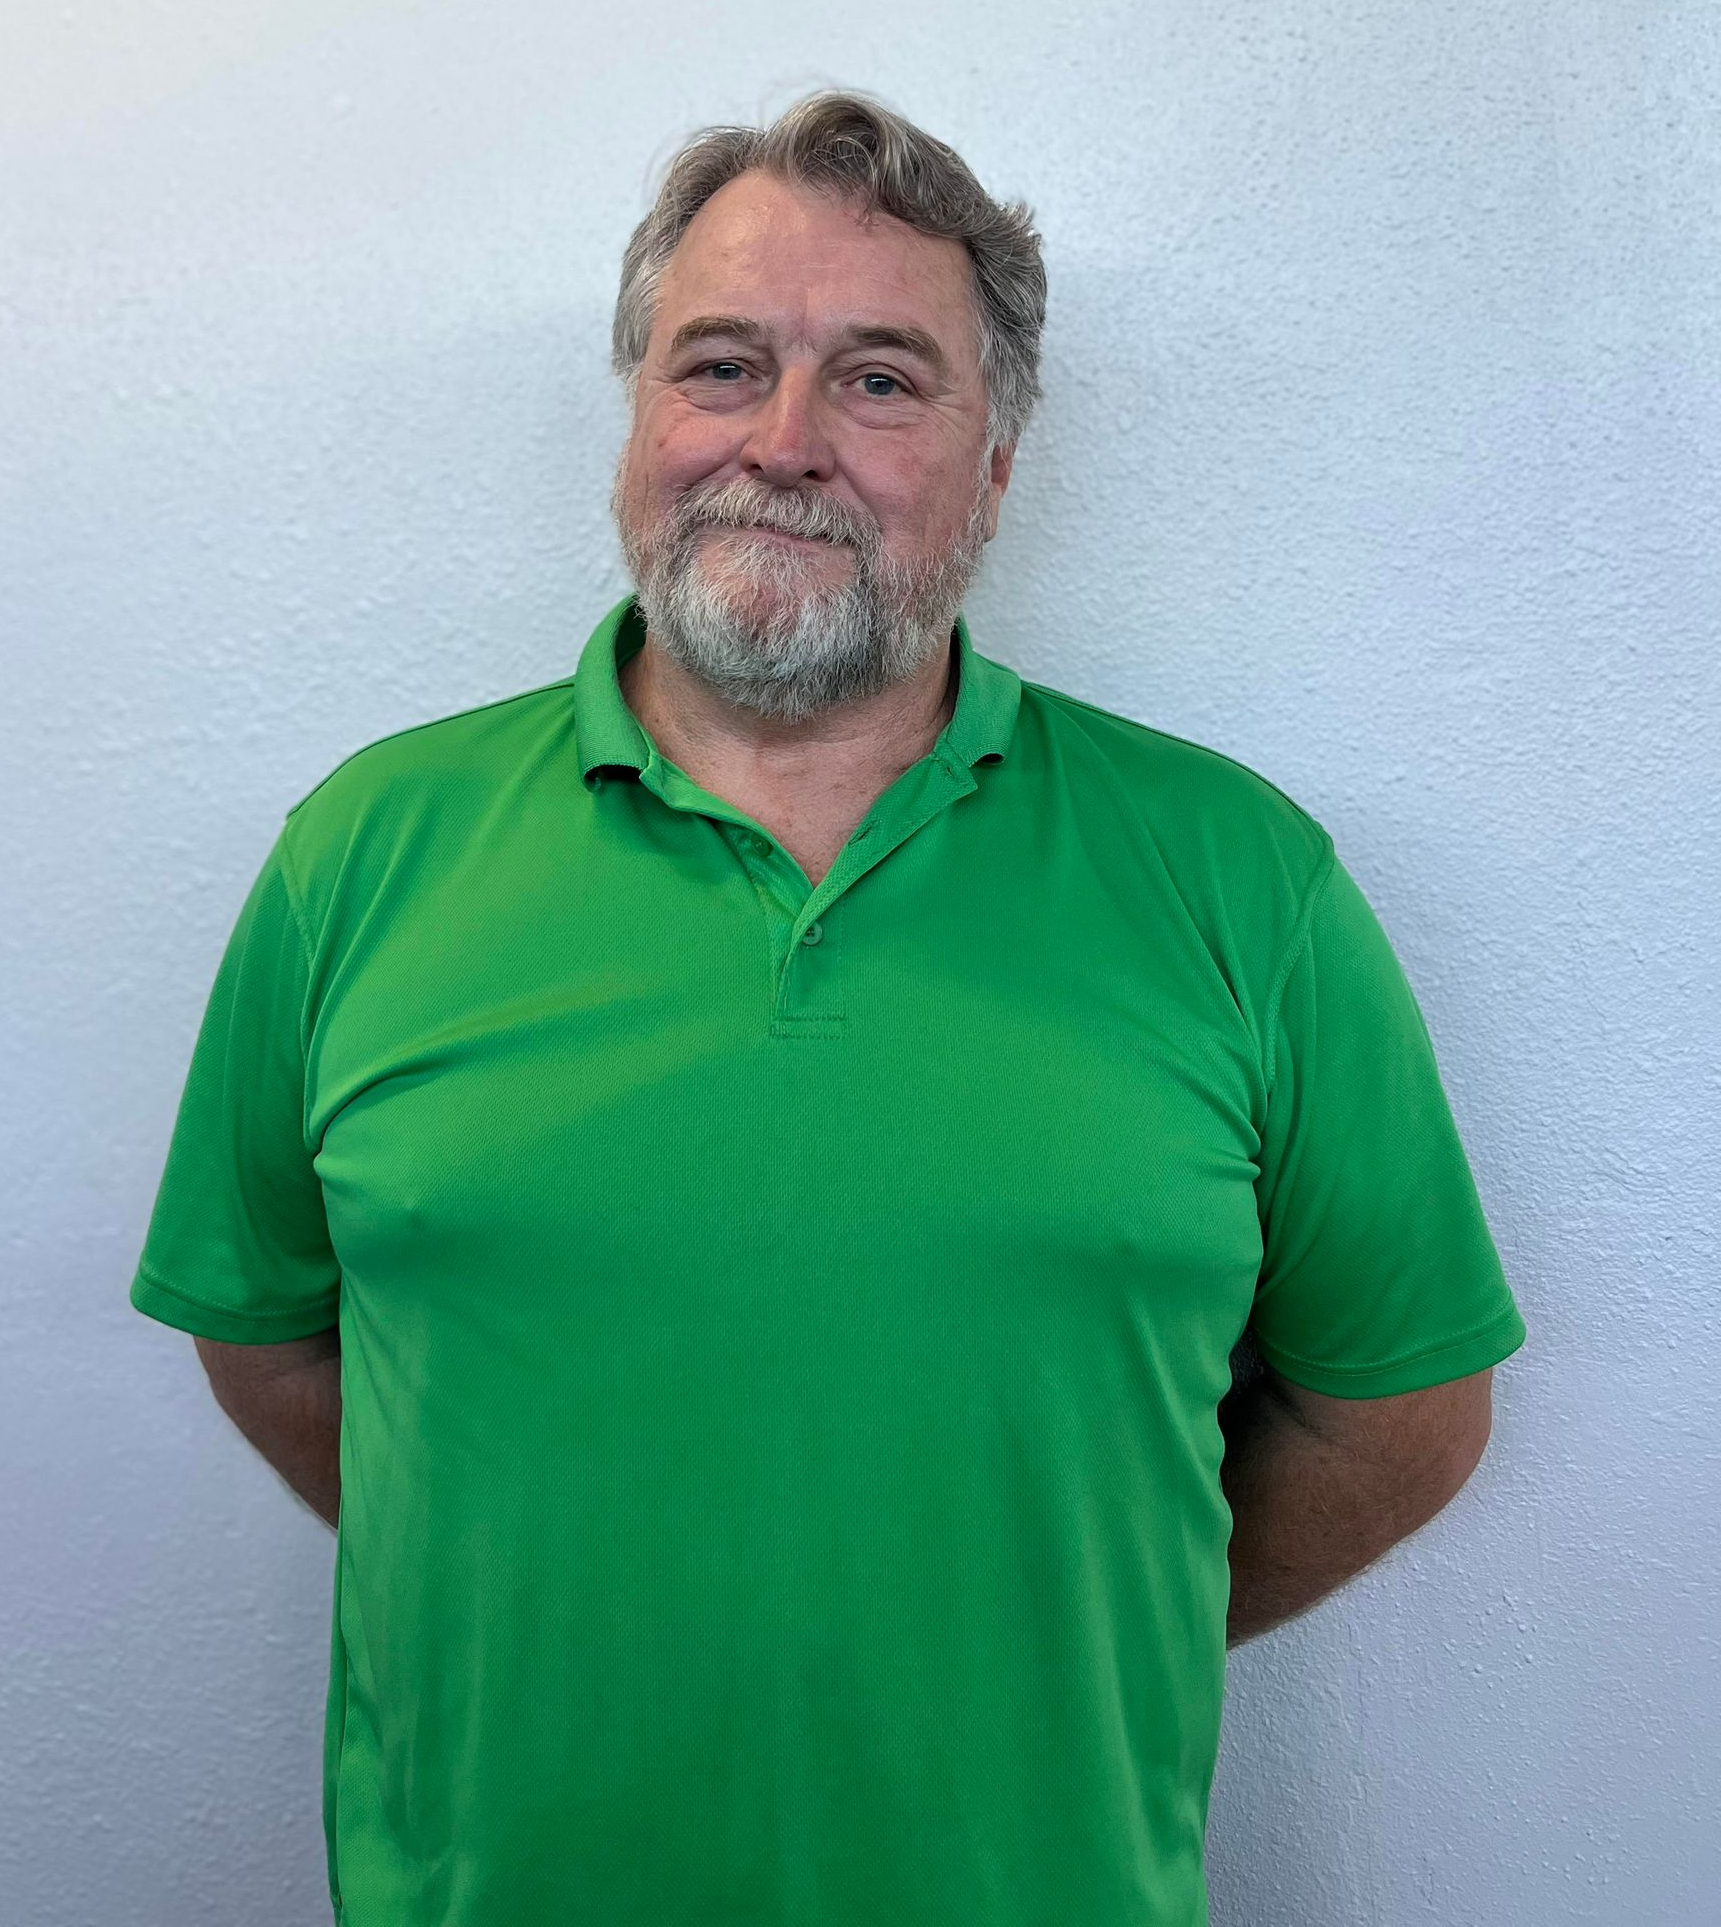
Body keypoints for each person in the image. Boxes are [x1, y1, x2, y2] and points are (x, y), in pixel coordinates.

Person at [128, 86, 1528, 1927]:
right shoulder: (363, 854)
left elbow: (1400, 1410)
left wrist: (1063, 1625)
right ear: (637, 420)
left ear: (996, 463)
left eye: (881, 379)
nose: (783, 441)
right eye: (721, 365)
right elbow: (273, 1338)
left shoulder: (1239, 881)